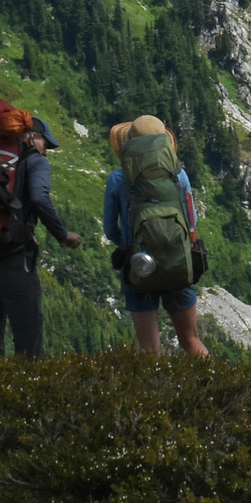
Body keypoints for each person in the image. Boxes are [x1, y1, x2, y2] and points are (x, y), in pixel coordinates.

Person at [0, 111, 79, 359]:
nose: (47, 151)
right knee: (29, 334)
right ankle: (31, 393)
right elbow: (39, 198)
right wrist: (62, 235)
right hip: (13, 256)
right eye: (46, 143)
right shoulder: (35, 162)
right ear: (31, 138)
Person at [105, 114, 208, 359]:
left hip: (139, 265)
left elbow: (110, 229)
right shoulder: (179, 176)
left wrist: (130, 245)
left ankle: (156, 396)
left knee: (149, 351)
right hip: (178, 262)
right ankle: (217, 388)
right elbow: (192, 222)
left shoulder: (118, 179)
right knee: (191, 340)